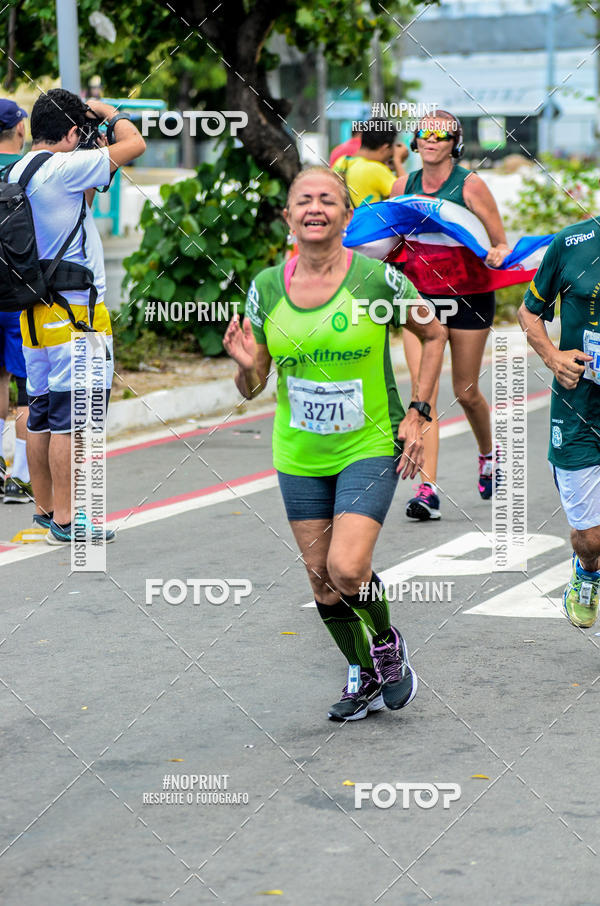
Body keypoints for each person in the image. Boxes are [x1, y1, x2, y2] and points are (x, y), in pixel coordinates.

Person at [224, 166, 446, 721]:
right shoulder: (266, 288)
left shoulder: (378, 280)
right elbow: (254, 387)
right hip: (298, 452)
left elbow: (433, 331)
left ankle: (387, 644)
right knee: (323, 585)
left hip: (366, 444)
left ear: (347, 216)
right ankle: (363, 672)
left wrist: (418, 412)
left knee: (349, 569)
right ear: (288, 217)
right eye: (304, 200)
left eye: (328, 199)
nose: (315, 208)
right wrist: (248, 367)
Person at [7, 88, 146, 543]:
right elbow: (134, 143)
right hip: (76, 314)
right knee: (72, 417)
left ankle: (48, 510)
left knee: (44, 412)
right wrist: (110, 114)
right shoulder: (66, 166)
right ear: (71, 133)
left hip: (34, 313)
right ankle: (70, 521)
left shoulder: (22, 168)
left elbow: (79, 207)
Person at [395, 111, 510, 520]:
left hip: (469, 295)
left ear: (453, 144)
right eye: (424, 132)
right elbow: (392, 244)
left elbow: (500, 243)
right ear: (416, 141)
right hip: (420, 299)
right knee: (421, 395)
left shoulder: (470, 185)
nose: (431, 139)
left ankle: (487, 455)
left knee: (465, 390)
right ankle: (427, 488)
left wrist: (498, 251)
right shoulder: (402, 186)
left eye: (441, 135)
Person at [518, 225, 600, 629]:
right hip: (578, 409)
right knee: (592, 538)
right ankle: (587, 571)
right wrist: (551, 356)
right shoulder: (571, 244)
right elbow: (528, 312)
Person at [0, 99, 32, 502]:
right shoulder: (28, 171)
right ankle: (20, 477)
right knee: (27, 385)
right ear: (20, 130)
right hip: (20, 295)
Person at [332, 118, 407, 208]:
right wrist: (397, 161)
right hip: (369, 221)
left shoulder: (341, 161)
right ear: (385, 147)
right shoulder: (375, 169)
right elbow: (406, 196)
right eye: (391, 151)